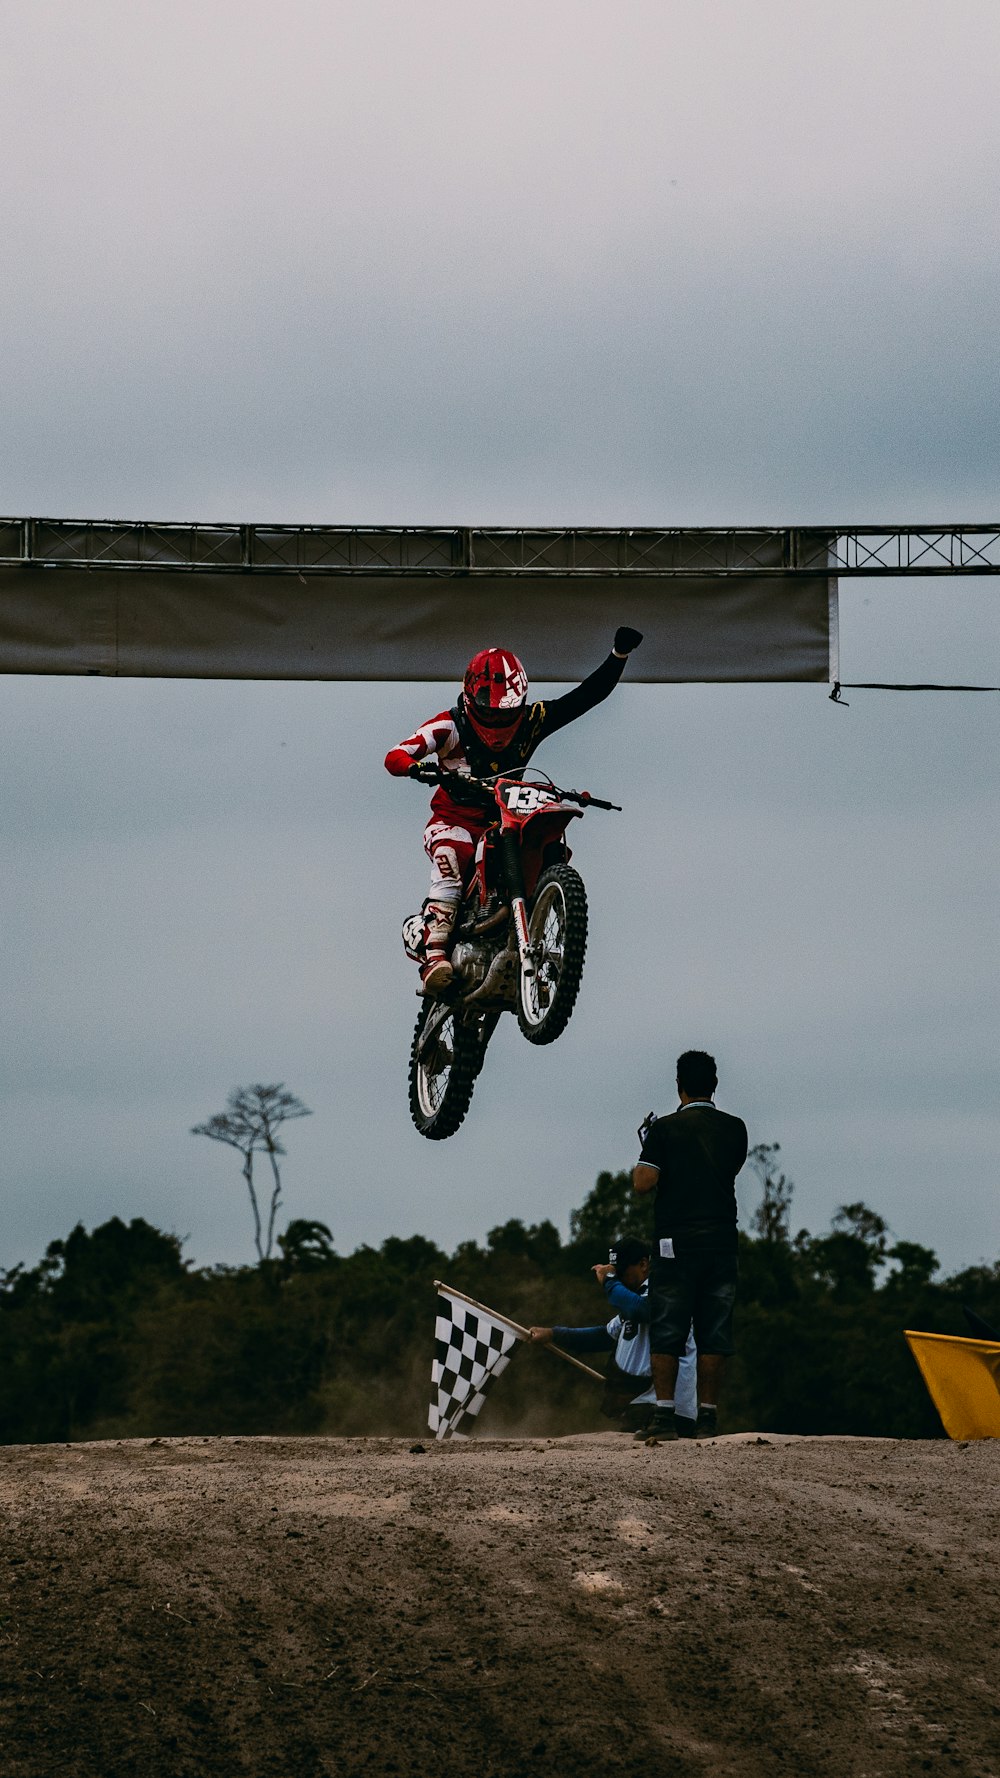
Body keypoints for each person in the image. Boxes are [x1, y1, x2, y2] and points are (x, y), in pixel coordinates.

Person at [384, 630, 643, 992]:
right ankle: (434, 954)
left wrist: (618, 656)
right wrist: (415, 767)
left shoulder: (533, 720)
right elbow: (398, 752)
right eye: (489, 711)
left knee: (544, 837)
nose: (497, 722)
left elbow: (584, 698)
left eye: (505, 712)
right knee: (453, 856)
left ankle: (548, 920)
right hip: (452, 820)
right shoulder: (449, 726)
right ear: (471, 699)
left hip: (503, 816)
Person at [633, 1050, 748, 1442]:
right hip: (721, 1240)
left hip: (675, 1242)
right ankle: (709, 1418)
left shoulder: (664, 1130)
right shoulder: (736, 1128)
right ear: (714, 1084)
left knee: (669, 1327)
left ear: (678, 1084)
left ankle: (664, 1417)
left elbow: (643, 1183)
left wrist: (647, 1146)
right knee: (715, 1329)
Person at [528, 1237, 698, 1435]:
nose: (619, 1280)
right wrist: (553, 1334)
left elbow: (640, 1310)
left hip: (670, 1414)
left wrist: (609, 1281)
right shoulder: (635, 1299)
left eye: (621, 1273)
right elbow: (604, 1336)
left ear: (643, 1264)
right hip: (643, 1409)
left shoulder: (664, 1289)